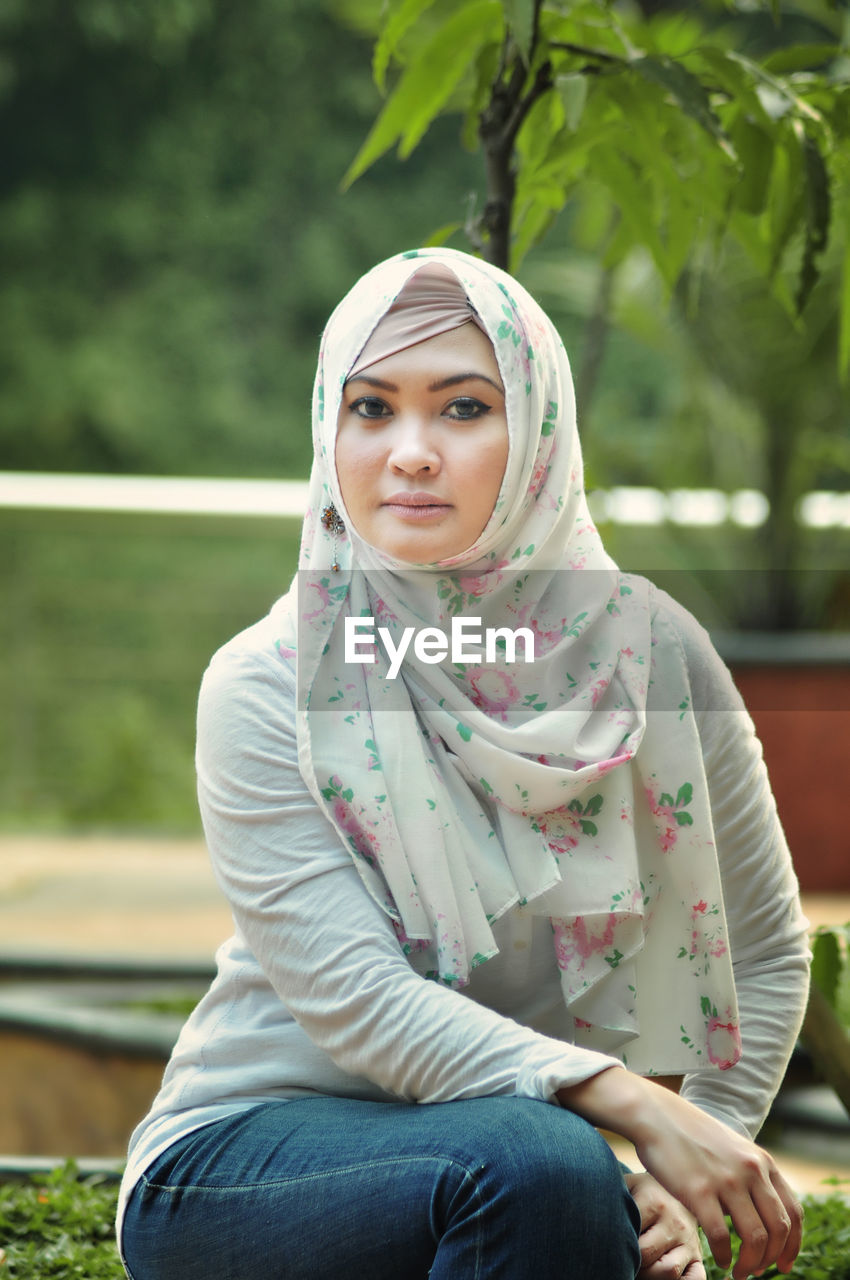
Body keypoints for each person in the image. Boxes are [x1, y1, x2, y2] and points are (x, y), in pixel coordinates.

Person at [117, 248, 810, 1280]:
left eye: (462, 407)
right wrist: (632, 1105)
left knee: (552, 1173)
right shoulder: (267, 682)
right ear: (327, 428)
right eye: (371, 408)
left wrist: (684, 1162)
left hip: (518, 1161)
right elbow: (356, 997)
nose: (409, 452)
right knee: (544, 1162)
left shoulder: (655, 659)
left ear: (535, 432)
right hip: (246, 1166)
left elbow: (762, 953)